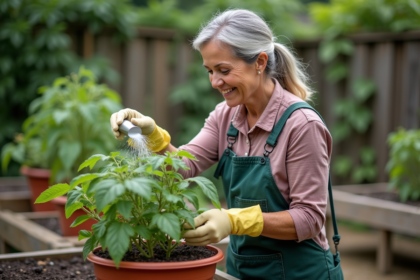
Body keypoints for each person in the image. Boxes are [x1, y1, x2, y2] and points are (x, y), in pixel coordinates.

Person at [110, 9, 343, 280]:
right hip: (241, 269)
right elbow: (183, 165)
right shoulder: (226, 115)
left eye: (223, 70)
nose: (214, 82)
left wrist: (234, 220)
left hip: (300, 272)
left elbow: (309, 218)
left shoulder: (302, 125)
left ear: (260, 62)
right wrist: (150, 133)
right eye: (210, 71)